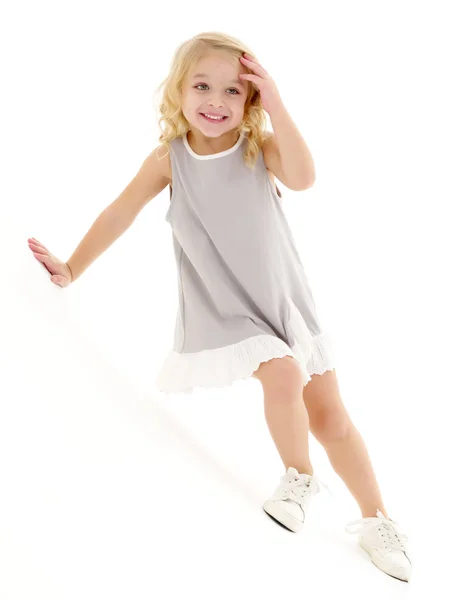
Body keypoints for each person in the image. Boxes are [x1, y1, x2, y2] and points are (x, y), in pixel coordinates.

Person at [27, 31, 411, 581]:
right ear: (178, 91)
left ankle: (378, 521)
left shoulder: (258, 147)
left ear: (251, 101)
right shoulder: (169, 159)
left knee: (331, 419)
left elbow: (304, 178)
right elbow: (119, 212)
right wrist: (72, 266)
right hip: (227, 306)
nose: (215, 101)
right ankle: (299, 477)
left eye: (233, 92)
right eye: (202, 86)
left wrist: (277, 103)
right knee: (282, 374)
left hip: (283, 298)